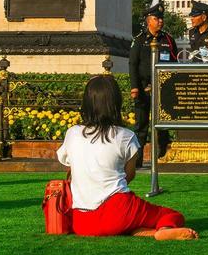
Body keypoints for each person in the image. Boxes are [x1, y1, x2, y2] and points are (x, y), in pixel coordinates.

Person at [56, 75, 197, 240]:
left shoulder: (73, 133)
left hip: (82, 222)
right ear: (116, 103)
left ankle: (143, 230)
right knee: (171, 215)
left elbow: (70, 167)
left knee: (123, 219)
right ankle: (163, 228)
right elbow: (129, 174)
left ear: (86, 103)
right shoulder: (125, 136)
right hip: (119, 210)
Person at [128, 0, 176, 165]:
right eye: (156, 18)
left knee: (162, 126)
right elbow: (132, 64)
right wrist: (134, 87)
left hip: (162, 91)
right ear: (149, 20)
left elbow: (174, 64)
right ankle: (138, 160)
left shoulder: (168, 40)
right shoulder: (140, 40)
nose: (160, 21)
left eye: (161, 18)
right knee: (141, 127)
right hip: (143, 90)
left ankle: (162, 157)